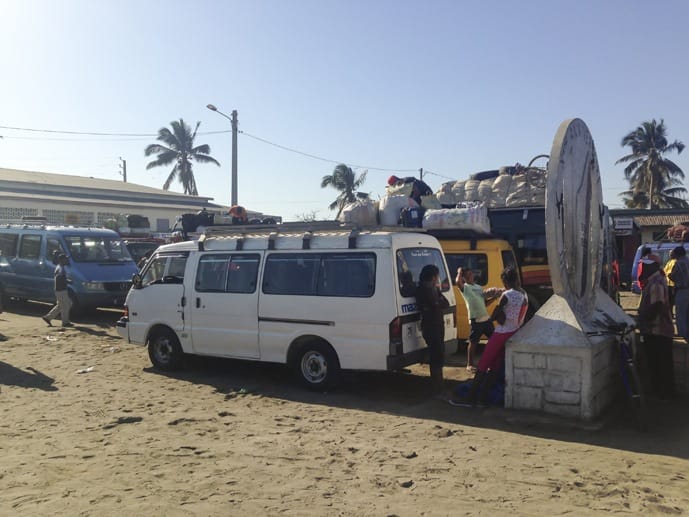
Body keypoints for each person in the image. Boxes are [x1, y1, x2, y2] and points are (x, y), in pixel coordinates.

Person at [451, 266, 527, 407]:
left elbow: (498, 316)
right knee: (495, 366)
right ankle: (483, 398)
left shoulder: (506, 295)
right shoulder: (524, 294)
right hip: (514, 332)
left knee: (484, 364)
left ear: (505, 280)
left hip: (501, 332)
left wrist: (495, 316)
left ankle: (472, 397)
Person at [638, 254, 676, 399]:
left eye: (646, 265)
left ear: (654, 266)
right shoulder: (655, 280)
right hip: (658, 329)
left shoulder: (656, 282)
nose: (644, 267)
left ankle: (663, 394)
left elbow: (657, 305)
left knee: (659, 364)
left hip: (657, 330)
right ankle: (663, 393)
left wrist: (644, 319)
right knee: (661, 363)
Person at [455, 267, 504, 372]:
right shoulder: (465, 288)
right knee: (473, 342)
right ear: (464, 278)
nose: (470, 276)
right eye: (467, 276)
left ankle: (494, 362)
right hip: (475, 319)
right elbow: (457, 282)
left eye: (470, 274)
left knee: (493, 340)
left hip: (486, 319)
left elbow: (484, 303)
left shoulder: (479, 287)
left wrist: (494, 298)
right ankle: (470, 364)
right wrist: (459, 272)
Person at [416, 264, 450, 394]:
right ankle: (438, 387)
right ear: (433, 277)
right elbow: (435, 305)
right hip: (431, 326)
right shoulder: (424, 289)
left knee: (439, 354)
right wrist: (437, 302)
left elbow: (444, 304)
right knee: (436, 355)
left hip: (437, 324)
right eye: (436, 276)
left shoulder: (434, 289)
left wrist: (437, 302)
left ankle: (439, 385)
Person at [42, 254, 72, 328]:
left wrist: (66, 281)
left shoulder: (60, 267)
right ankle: (65, 322)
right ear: (62, 260)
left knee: (62, 305)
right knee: (66, 305)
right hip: (61, 289)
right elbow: (59, 278)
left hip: (59, 289)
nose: (67, 260)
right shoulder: (60, 268)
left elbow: (59, 278)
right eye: (65, 259)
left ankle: (48, 317)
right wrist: (67, 281)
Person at [669, 246, 689, 342]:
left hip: (682, 290)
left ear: (677, 254)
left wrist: (668, 275)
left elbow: (673, 276)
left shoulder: (678, 263)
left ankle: (683, 336)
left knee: (680, 314)